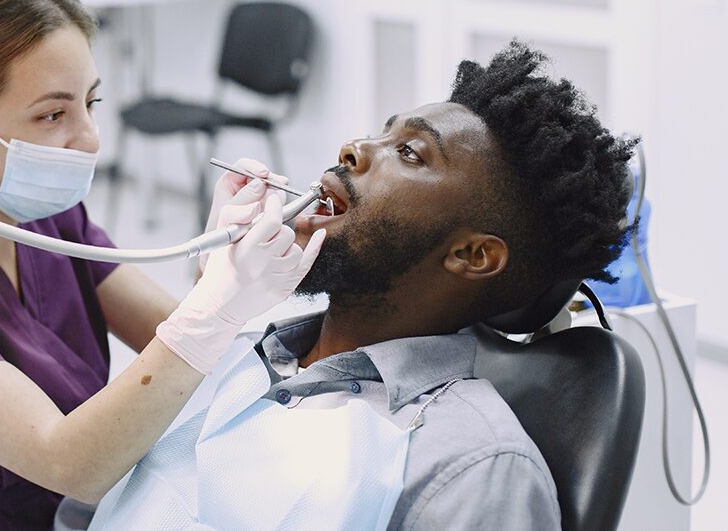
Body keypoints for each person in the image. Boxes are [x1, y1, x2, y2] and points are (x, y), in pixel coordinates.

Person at [0, 0, 323, 529]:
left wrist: (219, 271)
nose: (91, 138)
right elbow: (69, 463)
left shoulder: (50, 220)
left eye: (91, 102)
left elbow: (175, 341)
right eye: (53, 114)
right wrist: (215, 307)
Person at [87, 41, 637, 530]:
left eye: (410, 153)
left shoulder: (470, 467)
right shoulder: (238, 346)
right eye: (383, 131)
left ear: (472, 255)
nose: (353, 148)